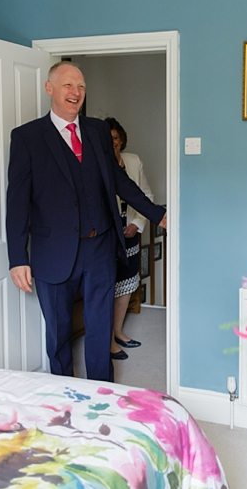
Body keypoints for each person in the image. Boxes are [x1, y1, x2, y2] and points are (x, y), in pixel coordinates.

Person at [6, 61, 166, 382]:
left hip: (100, 247)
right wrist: (18, 258)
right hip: (53, 252)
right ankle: (64, 392)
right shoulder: (27, 137)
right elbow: (17, 202)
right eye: (67, 85)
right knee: (60, 331)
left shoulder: (96, 132)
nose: (75, 92)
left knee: (99, 325)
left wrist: (157, 214)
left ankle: (102, 391)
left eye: (80, 86)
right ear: (49, 88)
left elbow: (120, 183)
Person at [105, 117, 153, 361]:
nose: (112, 142)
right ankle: (108, 341)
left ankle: (119, 332)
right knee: (107, 286)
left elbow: (145, 194)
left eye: (115, 138)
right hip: (108, 237)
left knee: (125, 284)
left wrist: (137, 224)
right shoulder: (97, 163)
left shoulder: (133, 161)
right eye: (107, 138)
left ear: (121, 139)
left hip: (130, 233)